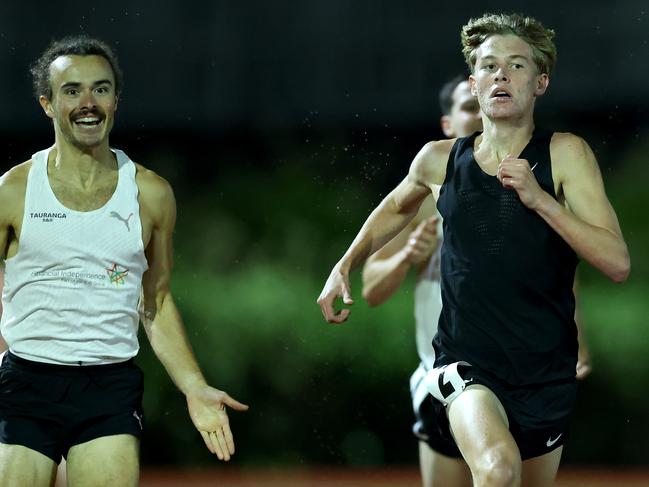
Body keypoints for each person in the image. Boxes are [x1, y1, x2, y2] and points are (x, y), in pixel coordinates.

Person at [318, 12, 629, 487]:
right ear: (474, 81)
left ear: (540, 82)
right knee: (497, 470)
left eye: (517, 65)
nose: (501, 74)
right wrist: (344, 264)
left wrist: (541, 200)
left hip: (545, 370)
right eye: (488, 66)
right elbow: (396, 208)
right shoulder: (439, 159)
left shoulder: (566, 153)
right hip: (466, 364)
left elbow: (616, 262)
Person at [0, 36, 248, 487]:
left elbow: (156, 299)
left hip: (108, 388)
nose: (87, 102)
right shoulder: (13, 191)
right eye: (71, 90)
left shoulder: (152, 195)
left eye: (100, 88)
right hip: (25, 384)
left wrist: (193, 385)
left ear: (116, 100)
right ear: (47, 104)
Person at [361, 74, 592, 486]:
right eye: (467, 108)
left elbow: (557, 272)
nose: (477, 115)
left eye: (479, 106)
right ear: (447, 124)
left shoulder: (526, 191)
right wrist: (404, 257)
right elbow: (371, 290)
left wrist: (579, 338)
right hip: (450, 372)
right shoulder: (428, 197)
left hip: (525, 368)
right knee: (494, 471)